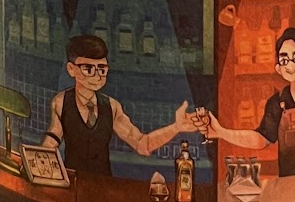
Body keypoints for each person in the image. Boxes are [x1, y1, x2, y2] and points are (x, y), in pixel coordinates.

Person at [197, 28, 295, 177]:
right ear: (278, 68)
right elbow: (260, 140)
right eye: (284, 60)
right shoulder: (276, 103)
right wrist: (222, 132)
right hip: (288, 178)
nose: (290, 66)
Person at [41, 34, 194, 175]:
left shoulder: (112, 107)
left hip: (104, 184)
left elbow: (143, 145)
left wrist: (176, 127)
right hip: (72, 182)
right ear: (71, 69)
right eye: (88, 69)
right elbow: (51, 142)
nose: (97, 76)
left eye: (102, 69)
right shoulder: (61, 102)